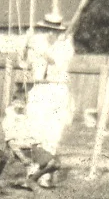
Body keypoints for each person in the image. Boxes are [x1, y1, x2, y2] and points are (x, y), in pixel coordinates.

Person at [20, 22, 75, 157]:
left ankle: (47, 164)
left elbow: (53, 60)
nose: (50, 34)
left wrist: (38, 48)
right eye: (47, 30)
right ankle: (36, 165)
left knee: (53, 130)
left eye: (54, 31)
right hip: (39, 88)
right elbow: (23, 62)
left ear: (59, 32)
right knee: (34, 127)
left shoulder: (65, 46)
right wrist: (25, 43)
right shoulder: (38, 45)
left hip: (56, 88)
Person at [3, 95, 62, 190]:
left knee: (56, 164)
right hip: (20, 150)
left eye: (22, 102)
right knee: (49, 163)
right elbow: (10, 142)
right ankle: (32, 181)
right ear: (12, 103)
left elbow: (34, 135)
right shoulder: (9, 119)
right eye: (17, 102)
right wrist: (22, 157)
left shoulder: (26, 118)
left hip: (33, 148)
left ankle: (32, 179)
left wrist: (38, 143)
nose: (20, 105)